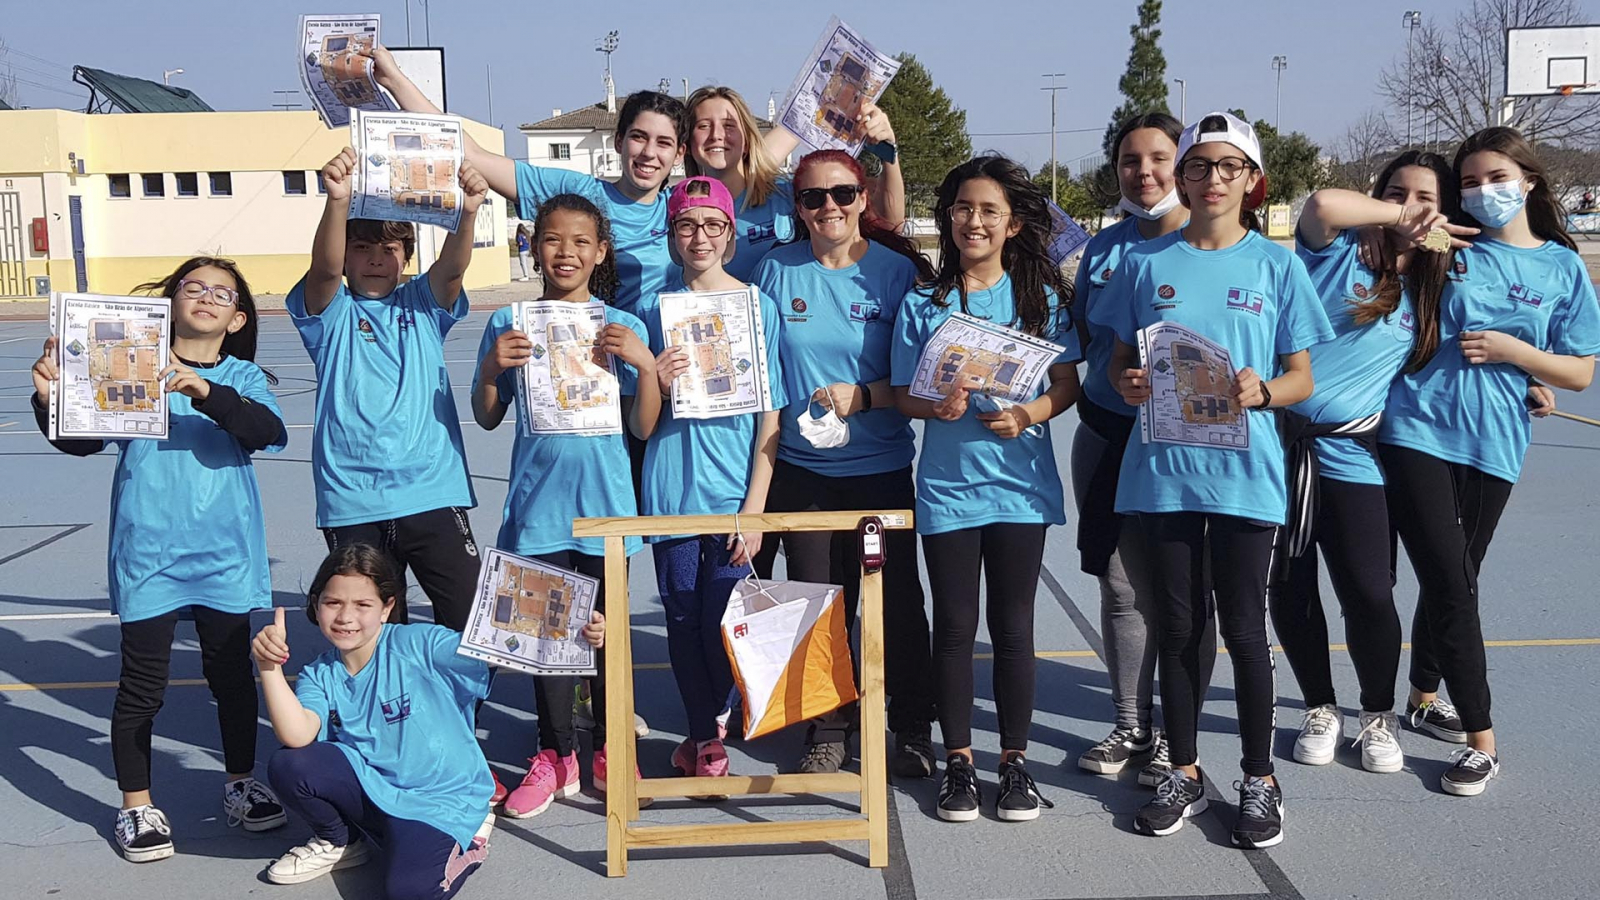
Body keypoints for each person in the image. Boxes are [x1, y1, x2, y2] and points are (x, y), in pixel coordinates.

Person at [1094, 112, 1334, 848]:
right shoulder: (1145, 264)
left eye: (1229, 167)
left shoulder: (1276, 265)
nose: (1212, 179)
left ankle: (1259, 779)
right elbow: (1113, 361)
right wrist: (1129, 380)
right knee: (1177, 628)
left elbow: (1303, 377)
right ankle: (1187, 771)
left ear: (1251, 181)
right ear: (1183, 177)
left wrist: (1265, 392)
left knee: (1245, 632)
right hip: (1163, 473)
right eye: (1200, 166)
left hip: (1245, 475)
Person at [31, 257, 288, 862]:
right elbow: (83, 439)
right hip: (149, 551)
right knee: (142, 687)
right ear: (169, 302)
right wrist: (50, 400)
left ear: (237, 317)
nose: (206, 297)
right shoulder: (126, 364)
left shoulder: (242, 377)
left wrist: (203, 389)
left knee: (231, 678)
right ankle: (137, 806)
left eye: (221, 293)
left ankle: (240, 783)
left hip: (225, 555)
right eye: (193, 287)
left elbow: (266, 431)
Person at [1378, 126, 1599, 796]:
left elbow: (1579, 372)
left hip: (1496, 442)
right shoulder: (1451, 244)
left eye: (1496, 177)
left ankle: (1421, 694)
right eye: (1470, 182)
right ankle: (1482, 738)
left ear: (1528, 180)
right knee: (1451, 582)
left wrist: (1519, 358)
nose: (1482, 192)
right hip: (1416, 427)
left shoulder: (1562, 267)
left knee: (1459, 571)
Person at [891, 156, 1081, 822]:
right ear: (947, 217)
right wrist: (934, 405)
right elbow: (906, 395)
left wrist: (1029, 414)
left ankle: (1016, 763)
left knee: (1014, 629)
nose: (974, 220)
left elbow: (1066, 384)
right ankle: (960, 765)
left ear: (1013, 223)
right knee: (954, 630)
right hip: (948, 490)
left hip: (1020, 491)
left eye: (988, 210)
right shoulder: (924, 301)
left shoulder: (1043, 302)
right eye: (963, 208)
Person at [1271, 152, 1473, 775]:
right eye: (1397, 193)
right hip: (1280, 449)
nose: (1411, 206)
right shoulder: (1337, 250)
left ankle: (1377, 714)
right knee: (1292, 585)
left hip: (1355, 454)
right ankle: (1320, 707)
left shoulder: (1436, 283)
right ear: (1380, 197)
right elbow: (1323, 204)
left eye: (1424, 197)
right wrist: (1397, 216)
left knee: (1367, 590)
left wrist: (1530, 384)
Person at [254, 544, 606, 895]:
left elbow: (499, 651)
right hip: (376, 789)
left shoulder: (420, 644)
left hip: (440, 802)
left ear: (387, 607)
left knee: (409, 891)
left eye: (363, 604)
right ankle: (341, 840)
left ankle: (470, 842)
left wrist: (576, 633)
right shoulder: (320, 674)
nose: (346, 617)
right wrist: (270, 667)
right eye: (333, 603)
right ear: (316, 604)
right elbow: (297, 734)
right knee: (290, 764)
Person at [751, 149, 939, 778]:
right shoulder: (775, 273)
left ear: (863, 197)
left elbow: (921, 381)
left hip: (880, 471)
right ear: (796, 208)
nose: (828, 206)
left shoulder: (897, 274)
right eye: (812, 197)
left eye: (841, 193)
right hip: (803, 474)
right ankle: (826, 727)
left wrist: (867, 398)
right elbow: (765, 383)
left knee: (896, 606)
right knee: (812, 603)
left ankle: (912, 724)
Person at [472, 194, 659, 817]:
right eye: (553, 240)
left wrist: (645, 367)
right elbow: (487, 415)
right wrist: (492, 374)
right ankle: (556, 753)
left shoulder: (619, 324)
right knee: (546, 638)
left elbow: (643, 423)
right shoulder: (510, 323)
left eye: (581, 242)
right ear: (533, 247)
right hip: (537, 508)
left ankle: (609, 746)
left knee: (607, 639)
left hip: (606, 504)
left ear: (601, 251)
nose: (566, 253)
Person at [1070, 113, 1216, 786]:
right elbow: (1088, 341)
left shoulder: (1211, 245)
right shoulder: (1103, 250)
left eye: (1160, 157)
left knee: (1181, 589)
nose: (1145, 171)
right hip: (1107, 431)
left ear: (1185, 163)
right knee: (1121, 584)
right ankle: (1133, 723)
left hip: (1187, 442)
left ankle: (1176, 734)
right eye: (1131, 159)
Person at [287, 147, 489, 630]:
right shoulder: (330, 311)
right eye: (362, 248)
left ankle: (452, 708)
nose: (376, 259)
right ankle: (377, 707)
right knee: (368, 633)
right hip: (352, 498)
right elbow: (324, 271)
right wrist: (338, 201)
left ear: (406, 259)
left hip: (432, 492)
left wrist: (467, 212)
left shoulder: (422, 303)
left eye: (390, 249)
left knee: (469, 626)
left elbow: (453, 271)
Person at [636, 176, 787, 789]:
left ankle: (714, 715)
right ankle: (703, 737)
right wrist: (658, 381)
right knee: (679, 619)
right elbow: (641, 426)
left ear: (730, 233)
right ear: (672, 235)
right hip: (672, 491)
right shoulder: (654, 308)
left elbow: (770, 417)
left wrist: (754, 508)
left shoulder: (758, 307)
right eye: (687, 226)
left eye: (713, 225)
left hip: (732, 497)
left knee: (719, 621)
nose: (700, 237)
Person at [684, 86, 904, 280]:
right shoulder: (673, 210)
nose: (716, 135)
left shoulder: (786, 195)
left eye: (729, 125)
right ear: (687, 142)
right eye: (703, 126)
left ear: (748, 140)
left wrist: (887, 150)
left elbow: (889, 223)